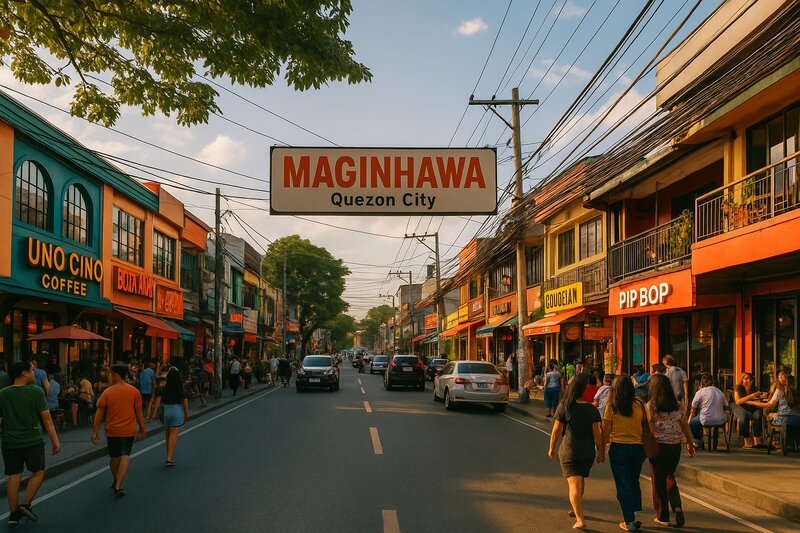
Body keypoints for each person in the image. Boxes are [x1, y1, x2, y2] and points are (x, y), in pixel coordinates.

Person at [0, 361, 61, 525]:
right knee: (39, 471)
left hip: (9, 441)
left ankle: (13, 515)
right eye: (32, 370)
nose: (35, 374)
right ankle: (25, 504)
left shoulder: (3, 393)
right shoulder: (36, 391)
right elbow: (47, 420)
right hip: (32, 440)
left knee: (14, 476)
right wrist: (55, 440)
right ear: (24, 373)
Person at [548, 374, 603, 530]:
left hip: (569, 451)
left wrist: (551, 448)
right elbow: (597, 435)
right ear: (584, 390)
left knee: (574, 484)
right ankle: (576, 508)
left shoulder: (565, 406)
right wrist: (601, 452)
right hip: (587, 452)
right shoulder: (592, 409)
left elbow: (556, 431)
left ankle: (580, 519)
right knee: (580, 480)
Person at [647, 374, 695, 527]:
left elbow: (650, 425)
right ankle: (676, 505)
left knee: (658, 480)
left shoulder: (651, 405)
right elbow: (684, 425)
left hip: (658, 445)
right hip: (675, 445)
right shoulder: (678, 404)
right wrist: (690, 443)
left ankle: (663, 516)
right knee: (670, 475)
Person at [91, 364, 146, 497]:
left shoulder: (107, 392)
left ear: (115, 375)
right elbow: (139, 413)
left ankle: (116, 479)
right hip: (128, 429)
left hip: (112, 430)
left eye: (110, 374)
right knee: (125, 455)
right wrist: (143, 429)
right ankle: (118, 484)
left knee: (114, 457)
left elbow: (99, 414)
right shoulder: (134, 392)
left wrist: (95, 431)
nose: (109, 376)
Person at [600, 375, 646, 532]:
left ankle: (629, 521)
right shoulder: (640, 405)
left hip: (619, 448)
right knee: (633, 480)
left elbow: (606, 432)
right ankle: (633, 513)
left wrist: (601, 451)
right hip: (638, 449)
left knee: (623, 484)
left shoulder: (612, 406)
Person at [152, 367, 189, 467]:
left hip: (167, 412)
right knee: (174, 435)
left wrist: (154, 413)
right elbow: (185, 402)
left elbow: (158, 399)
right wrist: (186, 414)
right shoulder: (180, 389)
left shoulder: (165, 389)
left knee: (167, 435)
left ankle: (168, 455)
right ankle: (169, 458)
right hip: (176, 411)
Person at [689, 373, 728, 450]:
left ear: (702, 382)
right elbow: (726, 405)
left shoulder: (700, 391)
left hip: (705, 420)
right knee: (712, 421)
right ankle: (714, 442)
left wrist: (692, 417)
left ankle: (699, 441)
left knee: (693, 423)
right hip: (720, 420)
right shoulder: (720, 392)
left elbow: (693, 408)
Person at [731, 372, 763, 448]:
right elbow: (738, 401)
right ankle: (746, 439)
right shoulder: (739, 387)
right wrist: (752, 396)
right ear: (742, 379)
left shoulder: (754, 388)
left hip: (752, 407)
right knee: (744, 416)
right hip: (739, 407)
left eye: (750, 379)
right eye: (746, 379)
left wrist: (760, 396)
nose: (748, 381)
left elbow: (756, 400)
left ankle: (757, 440)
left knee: (758, 415)